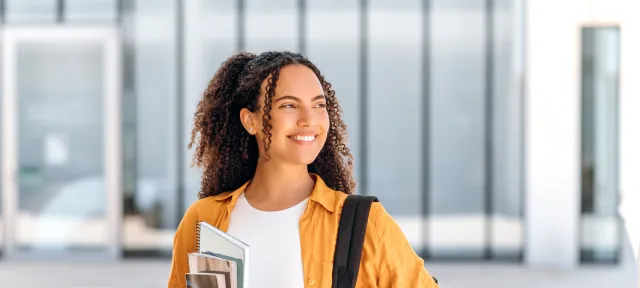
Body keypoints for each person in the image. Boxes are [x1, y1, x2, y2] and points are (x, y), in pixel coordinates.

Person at [168, 51, 439, 288]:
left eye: (319, 105)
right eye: (289, 105)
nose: (309, 120)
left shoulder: (366, 222)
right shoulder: (202, 222)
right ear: (250, 120)